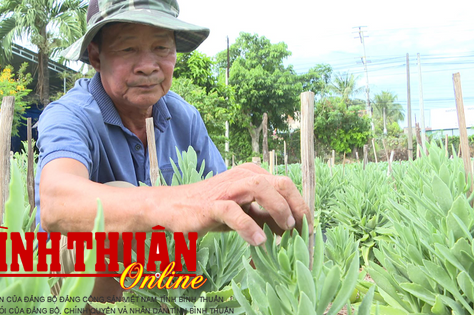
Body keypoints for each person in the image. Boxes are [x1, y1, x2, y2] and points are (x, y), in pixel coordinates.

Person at [35, 0, 311, 300]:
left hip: (163, 275)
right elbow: (55, 199)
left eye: (162, 48)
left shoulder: (184, 117)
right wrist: (170, 205)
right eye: (128, 49)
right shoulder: (69, 114)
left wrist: (253, 205)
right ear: (96, 56)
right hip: (69, 280)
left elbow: (220, 198)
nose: (148, 65)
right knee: (118, 208)